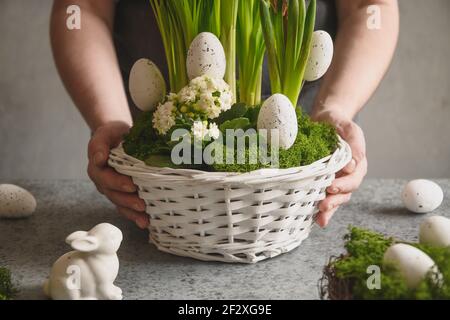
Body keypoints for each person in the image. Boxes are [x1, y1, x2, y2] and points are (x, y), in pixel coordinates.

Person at [50, 0, 399, 229]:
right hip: (163, 150)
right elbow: (82, 9)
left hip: (292, 143)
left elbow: (370, 7)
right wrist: (110, 120)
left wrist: (335, 108)